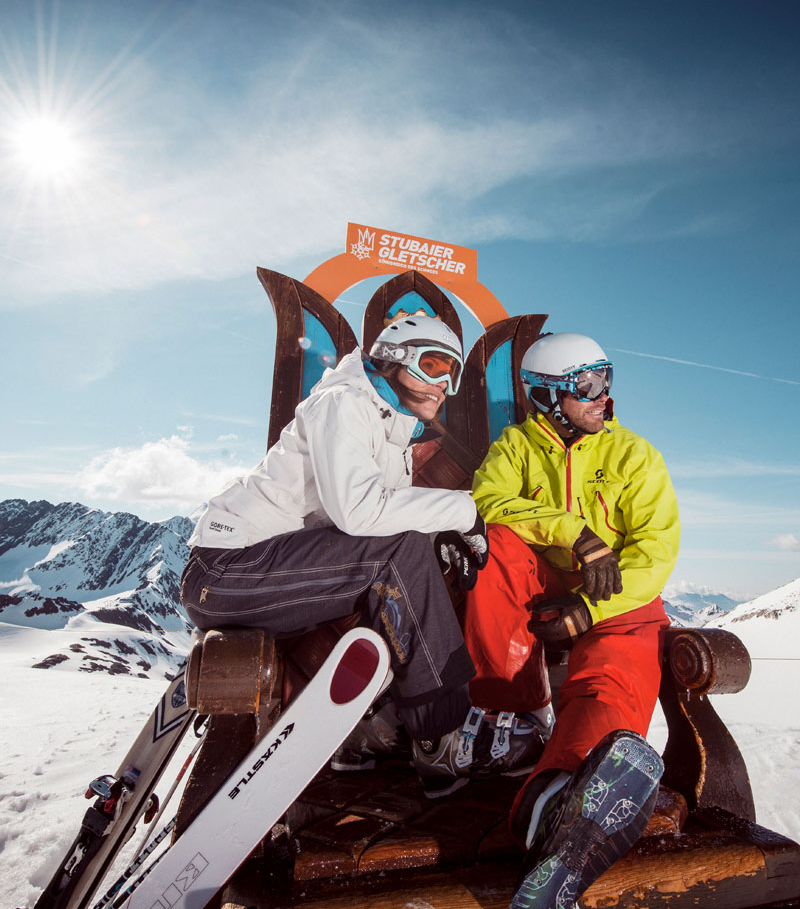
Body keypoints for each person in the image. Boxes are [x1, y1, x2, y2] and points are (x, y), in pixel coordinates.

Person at [181, 313, 545, 799]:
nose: (444, 384)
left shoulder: (389, 429)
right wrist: (461, 511)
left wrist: (440, 534)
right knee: (399, 551)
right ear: (394, 359)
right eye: (434, 365)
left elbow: (379, 523)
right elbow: (360, 514)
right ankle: (444, 734)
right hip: (228, 572)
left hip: (268, 568)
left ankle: (367, 731)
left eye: (452, 374)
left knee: (409, 553)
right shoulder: (344, 402)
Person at [462, 332, 680, 909]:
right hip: (538, 588)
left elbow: (655, 550)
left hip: (613, 599)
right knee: (497, 544)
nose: (602, 397)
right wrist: (572, 532)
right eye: (586, 385)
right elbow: (489, 503)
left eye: (606, 380)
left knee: (619, 662)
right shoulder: (513, 449)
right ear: (544, 396)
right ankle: (508, 717)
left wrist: (591, 609)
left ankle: (555, 798)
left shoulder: (633, 455)